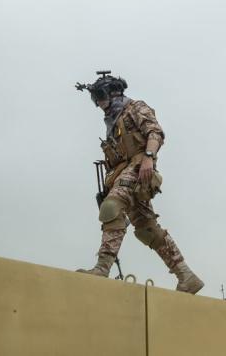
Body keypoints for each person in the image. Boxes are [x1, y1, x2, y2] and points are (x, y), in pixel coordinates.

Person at [75, 71, 203, 294]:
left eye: (100, 98)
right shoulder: (113, 123)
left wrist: (149, 158)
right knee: (146, 228)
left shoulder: (134, 108)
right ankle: (186, 276)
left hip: (139, 168)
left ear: (111, 93)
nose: (98, 105)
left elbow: (155, 132)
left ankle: (102, 268)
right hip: (125, 172)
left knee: (112, 207)